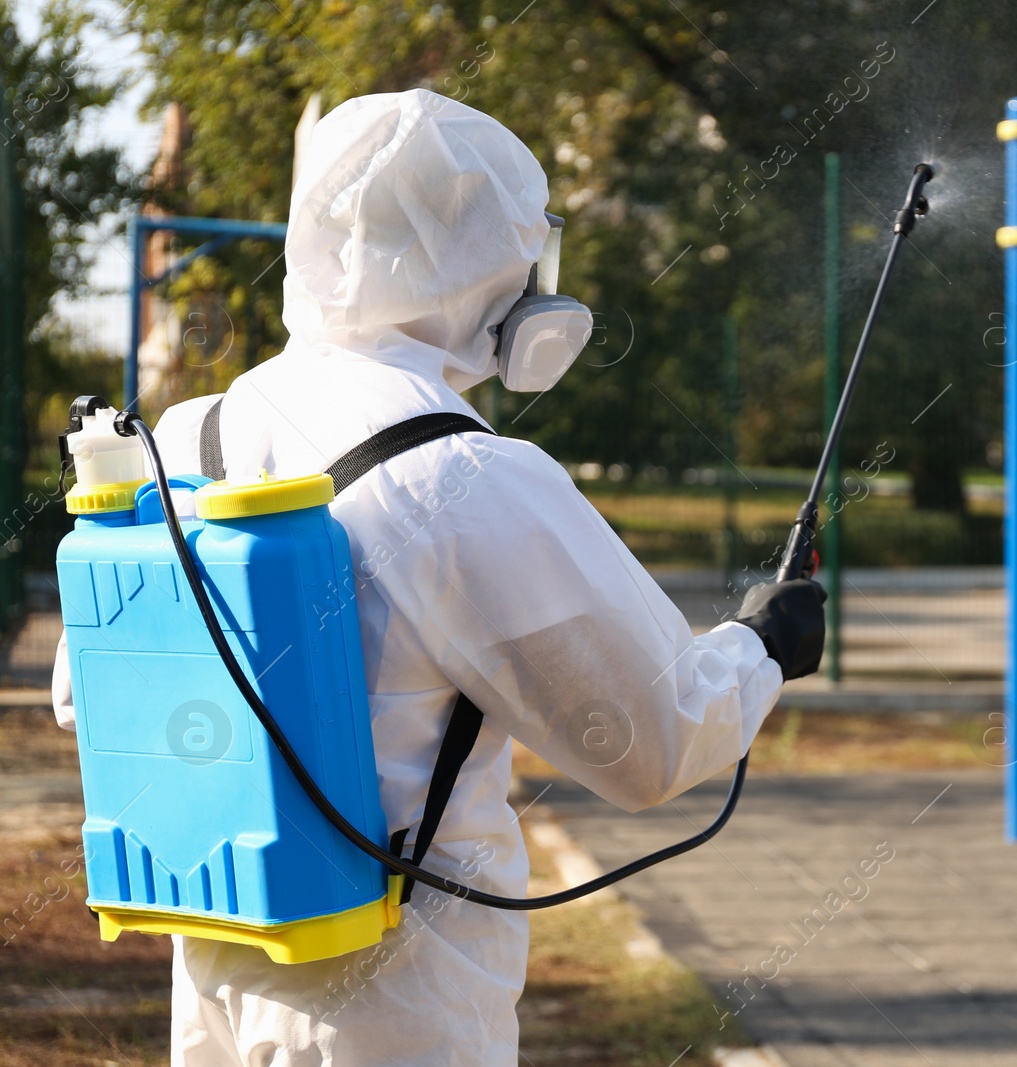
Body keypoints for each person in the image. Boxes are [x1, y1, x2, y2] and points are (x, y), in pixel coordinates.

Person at [51, 89, 823, 1066]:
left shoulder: (182, 434)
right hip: (399, 994)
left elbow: (86, 698)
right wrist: (761, 645)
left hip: (218, 961)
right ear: (494, 263)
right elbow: (646, 741)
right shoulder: (465, 474)